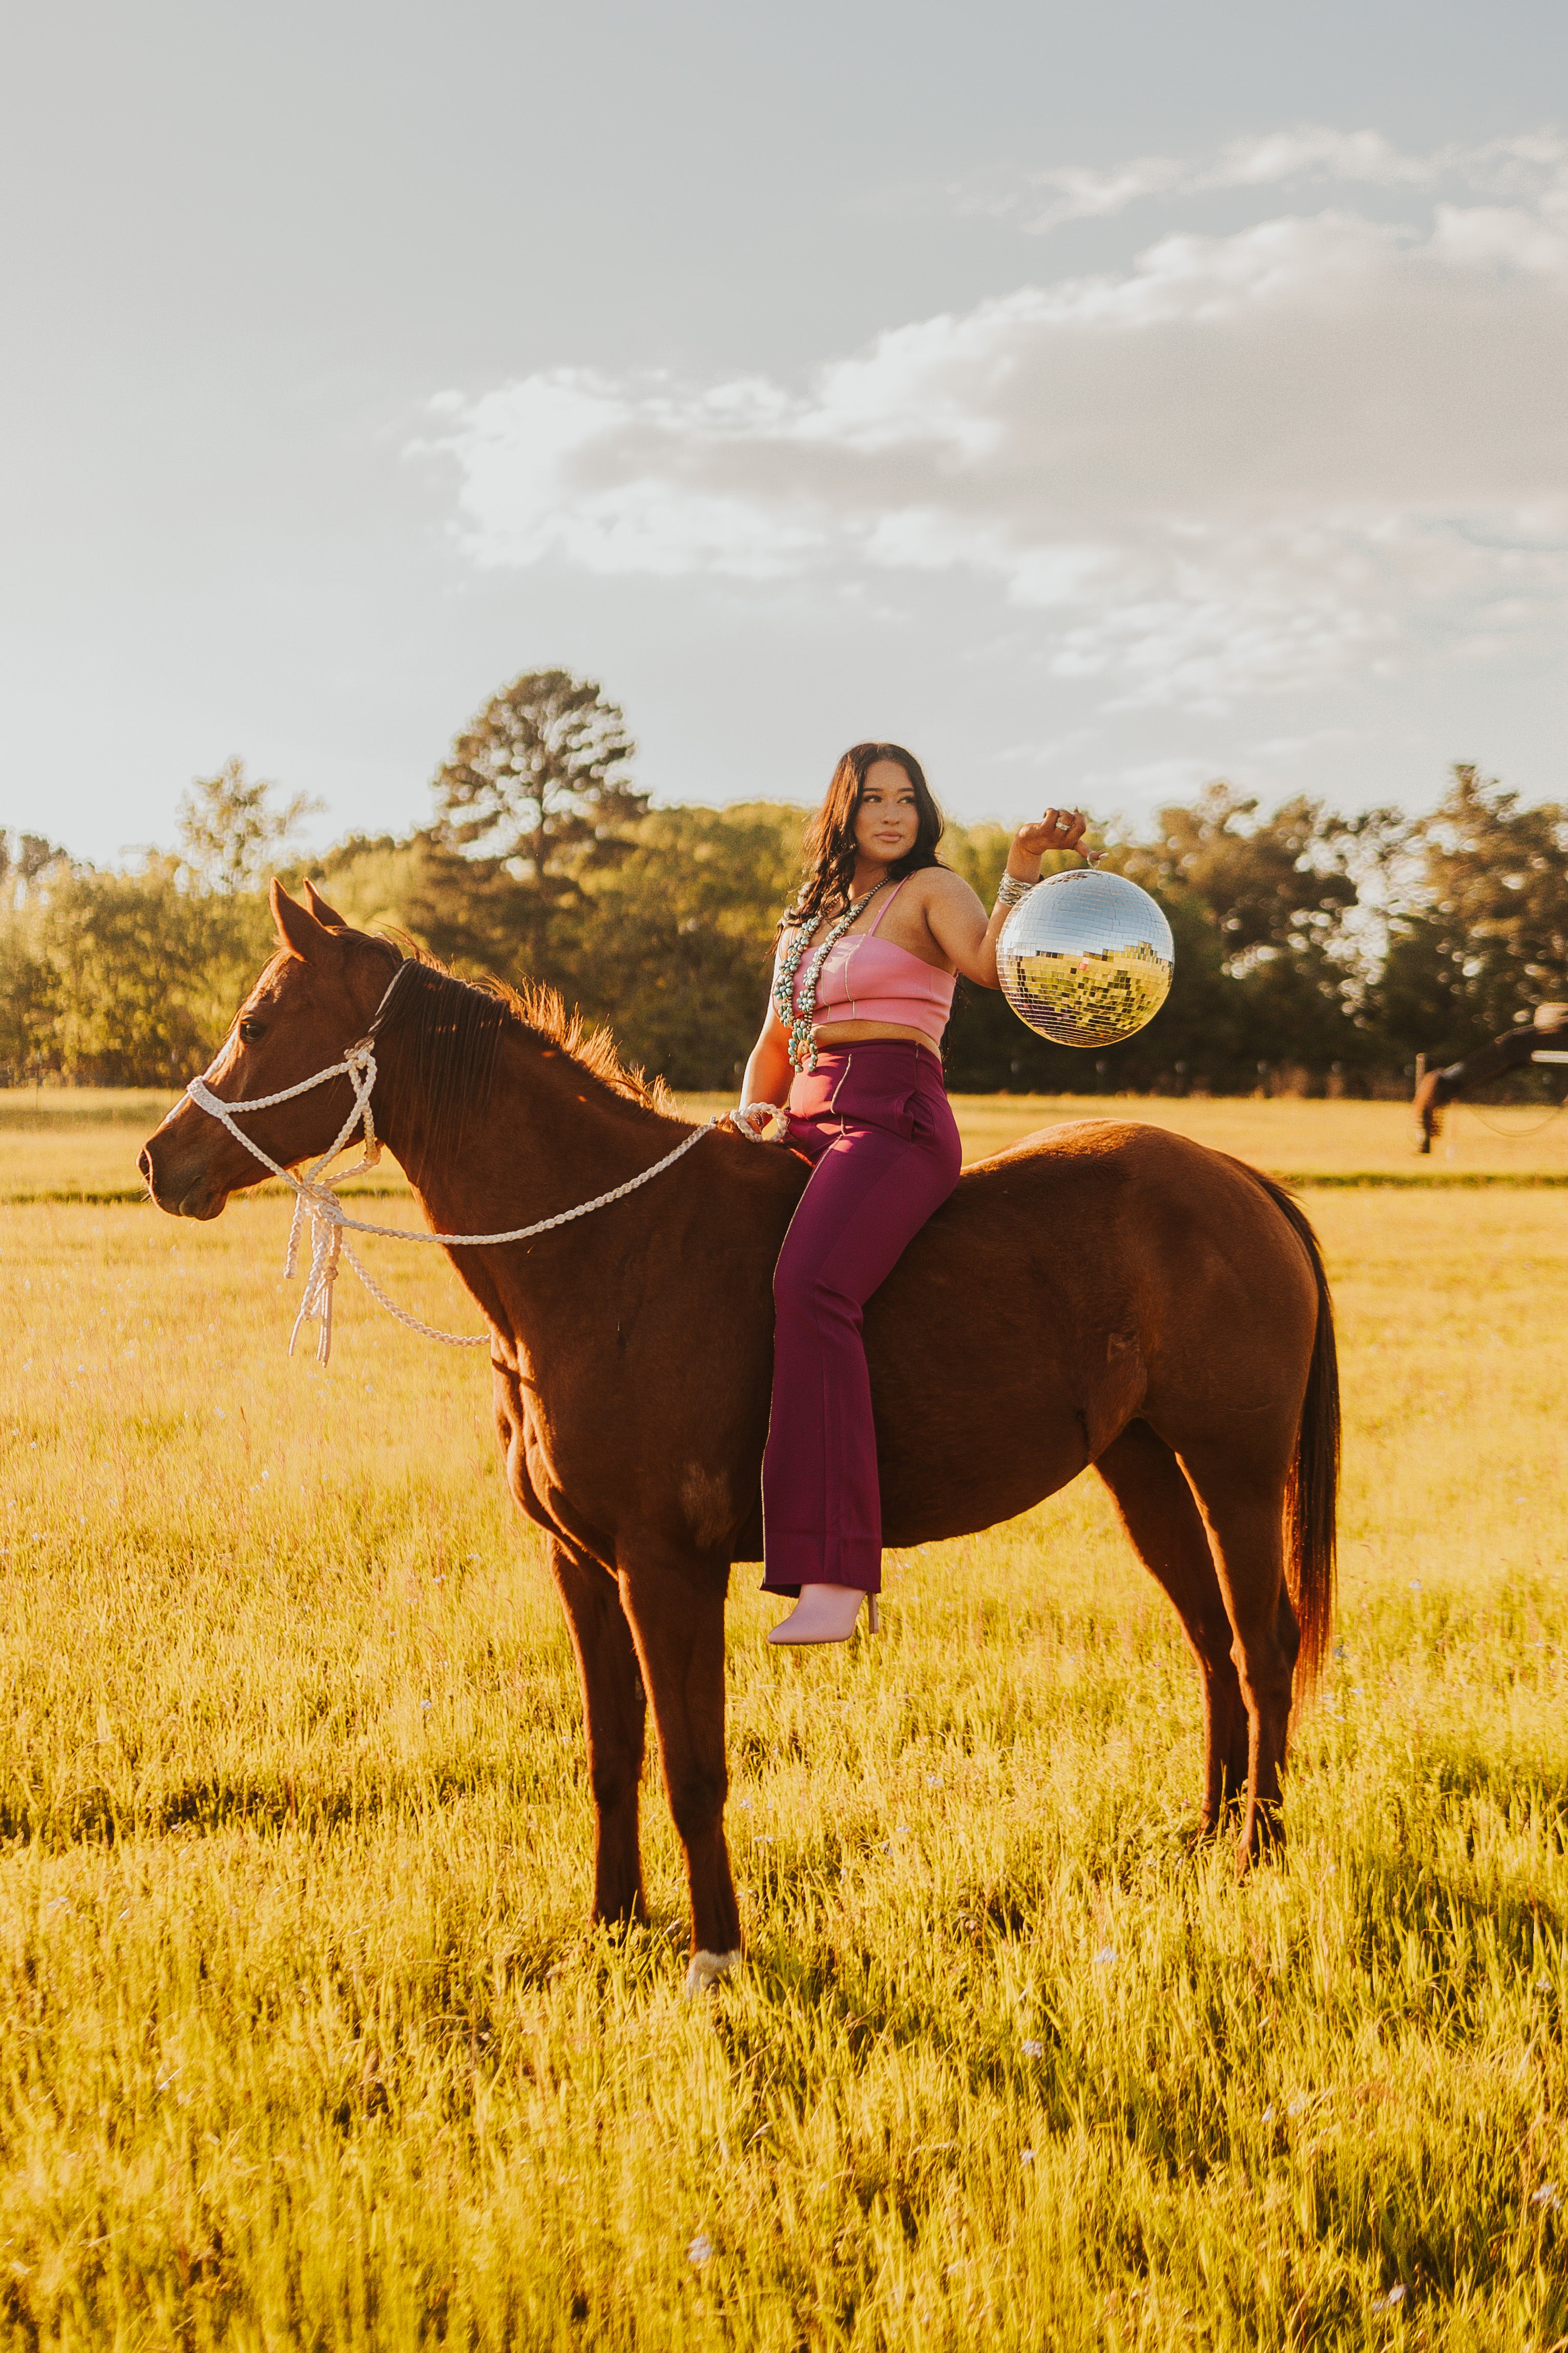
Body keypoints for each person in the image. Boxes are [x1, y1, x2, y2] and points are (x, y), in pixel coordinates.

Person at [736, 741, 1093, 1645]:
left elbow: (986, 966)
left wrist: (1018, 867)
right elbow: (775, 1044)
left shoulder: (933, 890)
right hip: (802, 1116)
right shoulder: (808, 915)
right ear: (843, 813)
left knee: (810, 1289)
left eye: (906, 798)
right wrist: (751, 1114)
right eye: (872, 800)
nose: (892, 814)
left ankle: (835, 1575)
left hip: (889, 1120)